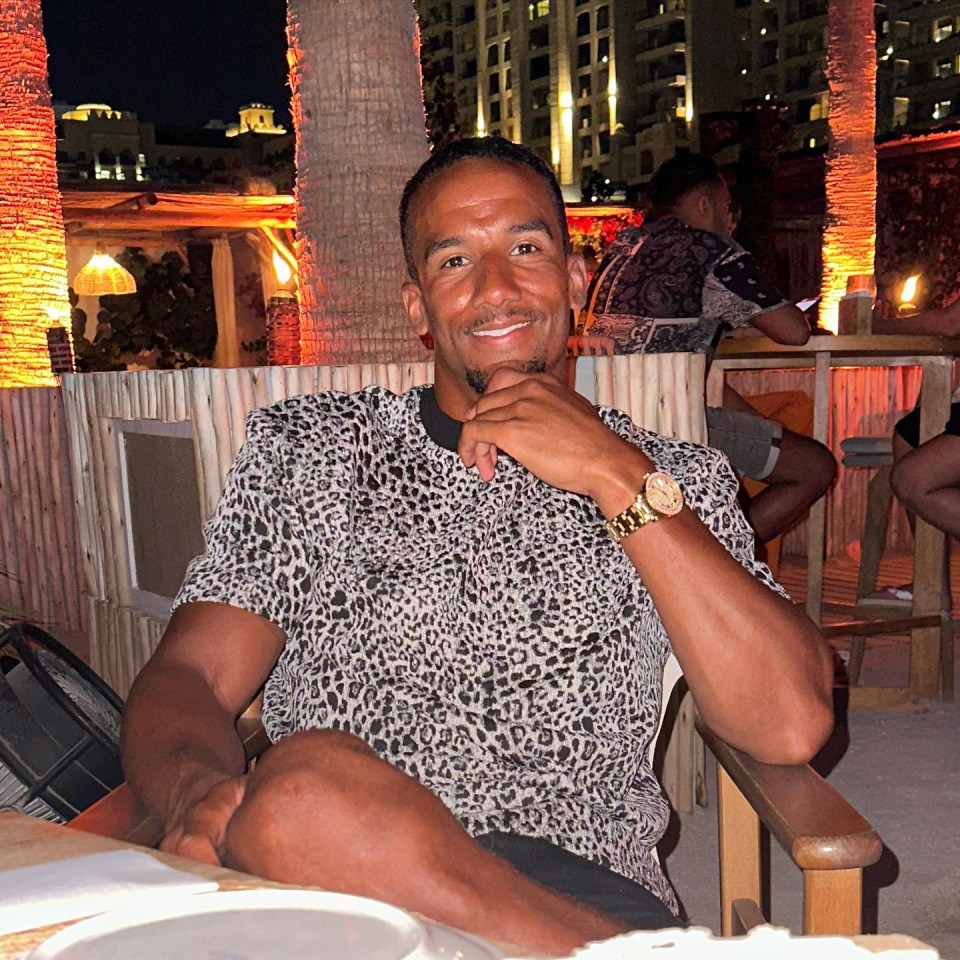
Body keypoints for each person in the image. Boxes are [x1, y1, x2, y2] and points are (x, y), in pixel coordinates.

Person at [120, 138, 834, 956]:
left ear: (573, 281)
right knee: (303, 799)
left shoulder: (672, 480)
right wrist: (199, 794)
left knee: (299, 805)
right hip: (337, 892)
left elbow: (791, 724)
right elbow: (190, 674)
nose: (496, 289)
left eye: (525, 249)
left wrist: (615, 477)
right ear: (418, 306)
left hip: (576, 891)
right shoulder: (318, 453)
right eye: (454, 260)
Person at [575, 154, 836, 546]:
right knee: (814, 467)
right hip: (666, 425)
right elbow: (793, 332)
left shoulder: (624, 247)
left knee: (742, 455)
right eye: (727, 207)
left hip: (604, 420)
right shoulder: (711, 250)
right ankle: (723, 560)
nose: (731, 219)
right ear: (704, 204)